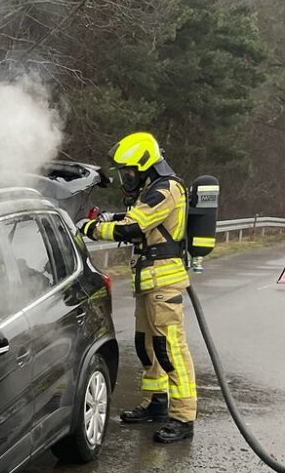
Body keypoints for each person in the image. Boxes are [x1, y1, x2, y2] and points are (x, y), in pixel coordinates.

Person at [76, 131, 196, 443]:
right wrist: (106, 217)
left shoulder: (166, 190)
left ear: (145, 167)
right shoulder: (151, 190)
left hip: (164, 281)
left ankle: (183, 416)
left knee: (170, 349)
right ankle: (156, 403)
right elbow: (132, 217)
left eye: (129, 173)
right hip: (148, 281)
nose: (127, 179)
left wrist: (90, 228)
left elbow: (132, 226)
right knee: (147, 346)